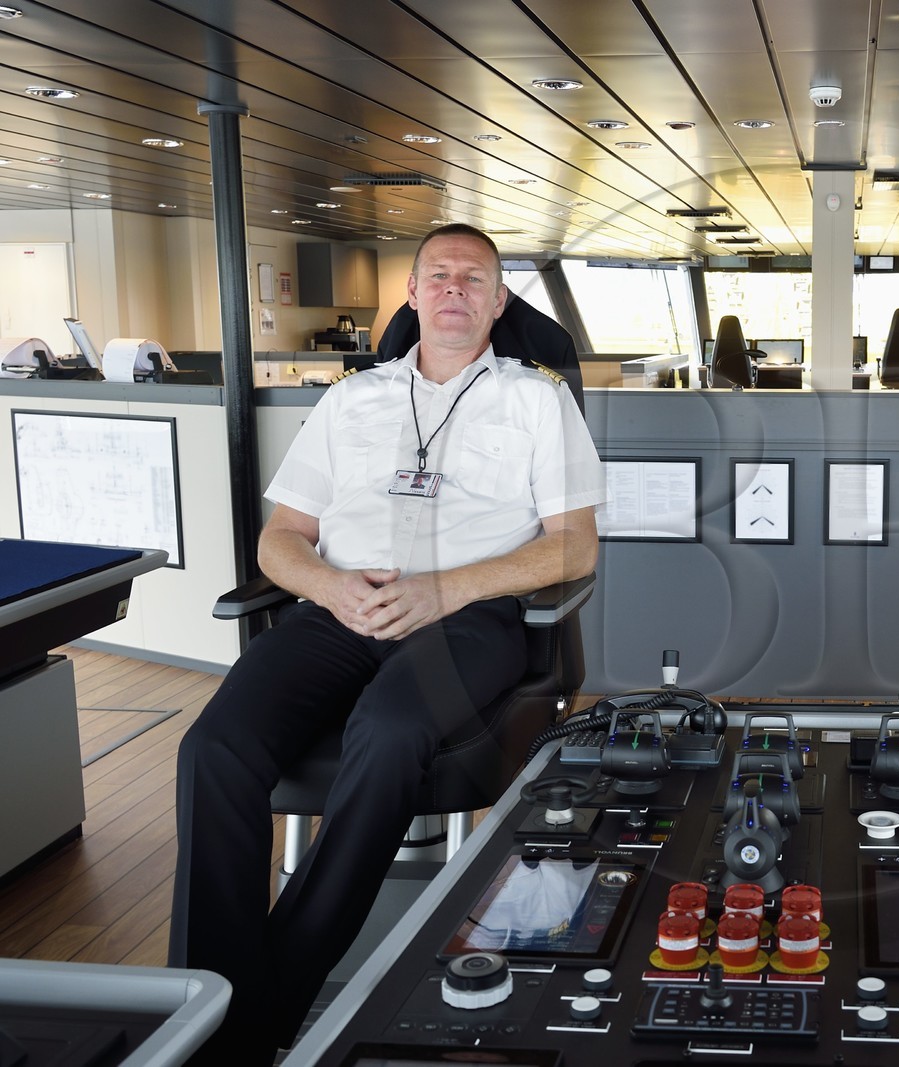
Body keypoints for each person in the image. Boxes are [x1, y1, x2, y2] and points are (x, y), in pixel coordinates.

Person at [169, 224, 605, 1065]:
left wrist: (444, 587)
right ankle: (209, 1002)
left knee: (392, 729)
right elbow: (281, 538)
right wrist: (330, 585)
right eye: (437, 275)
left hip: (467, 614)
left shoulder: (536, 399)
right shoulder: (350, 399)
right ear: (411, 295)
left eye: (472, 279)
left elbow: (573, 545)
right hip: (338, 606)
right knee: (213, 746)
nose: (453, 289)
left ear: (498, 302)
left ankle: (275, 991)